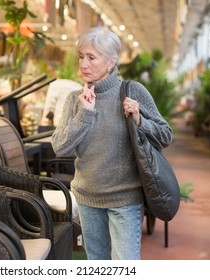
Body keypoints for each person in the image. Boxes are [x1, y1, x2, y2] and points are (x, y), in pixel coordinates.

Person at [51, 26, 173, 260]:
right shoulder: (75, 101)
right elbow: (60, 147)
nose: (83, 64)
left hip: (125, 201)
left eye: (91, 58)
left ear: (111, 62)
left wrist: (139, 120)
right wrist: (85, 114)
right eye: (81, 57)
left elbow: (166, 135)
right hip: (87, 199)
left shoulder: (132, 92)